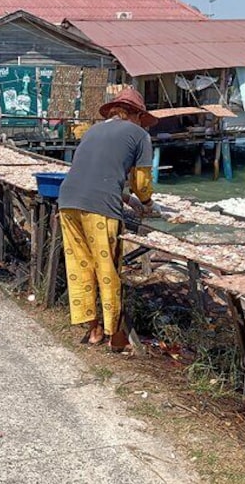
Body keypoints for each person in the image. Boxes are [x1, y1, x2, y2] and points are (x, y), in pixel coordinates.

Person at [57, 88, 159, 352]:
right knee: (106, 269)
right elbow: (141, 183)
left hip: (67, 202)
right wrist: (147, 204)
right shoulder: (140, 135)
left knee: (80, 265)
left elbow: (99, 172)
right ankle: (115, 336)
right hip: (100, 209)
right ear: (136, 114)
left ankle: (93, 330)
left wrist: (129, 200)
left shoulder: (92, 131)